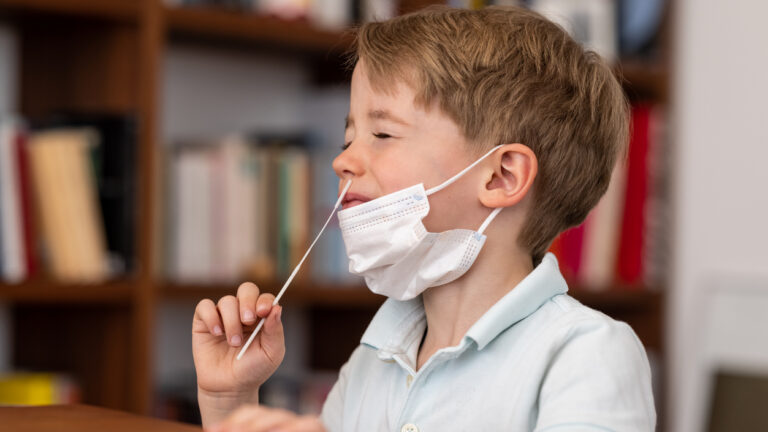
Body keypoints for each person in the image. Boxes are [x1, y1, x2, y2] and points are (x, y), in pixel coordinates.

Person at [192, 5, 656, 432]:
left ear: (500, 176)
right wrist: (230, 399)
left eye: (382, 133)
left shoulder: (585, 354)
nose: (343, 161)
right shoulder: (373, 359)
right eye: (348, 138)